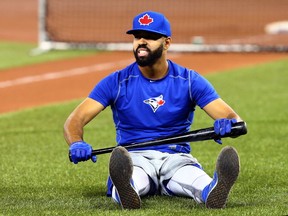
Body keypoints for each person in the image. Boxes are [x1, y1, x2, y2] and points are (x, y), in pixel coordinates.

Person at [64, 11, 245, 210]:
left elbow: (234, 119)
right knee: (132, 179)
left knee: (195, 180)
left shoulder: (189, 80)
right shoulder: (116, 82)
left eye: (149, 36)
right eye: (137, 36)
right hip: (134, 157)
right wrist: (76, 142)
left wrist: (228, 123)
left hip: (176, 157)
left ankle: (212, 191)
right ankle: (126, 190)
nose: (141, 41)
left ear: (166, 43)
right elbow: (75, 119)